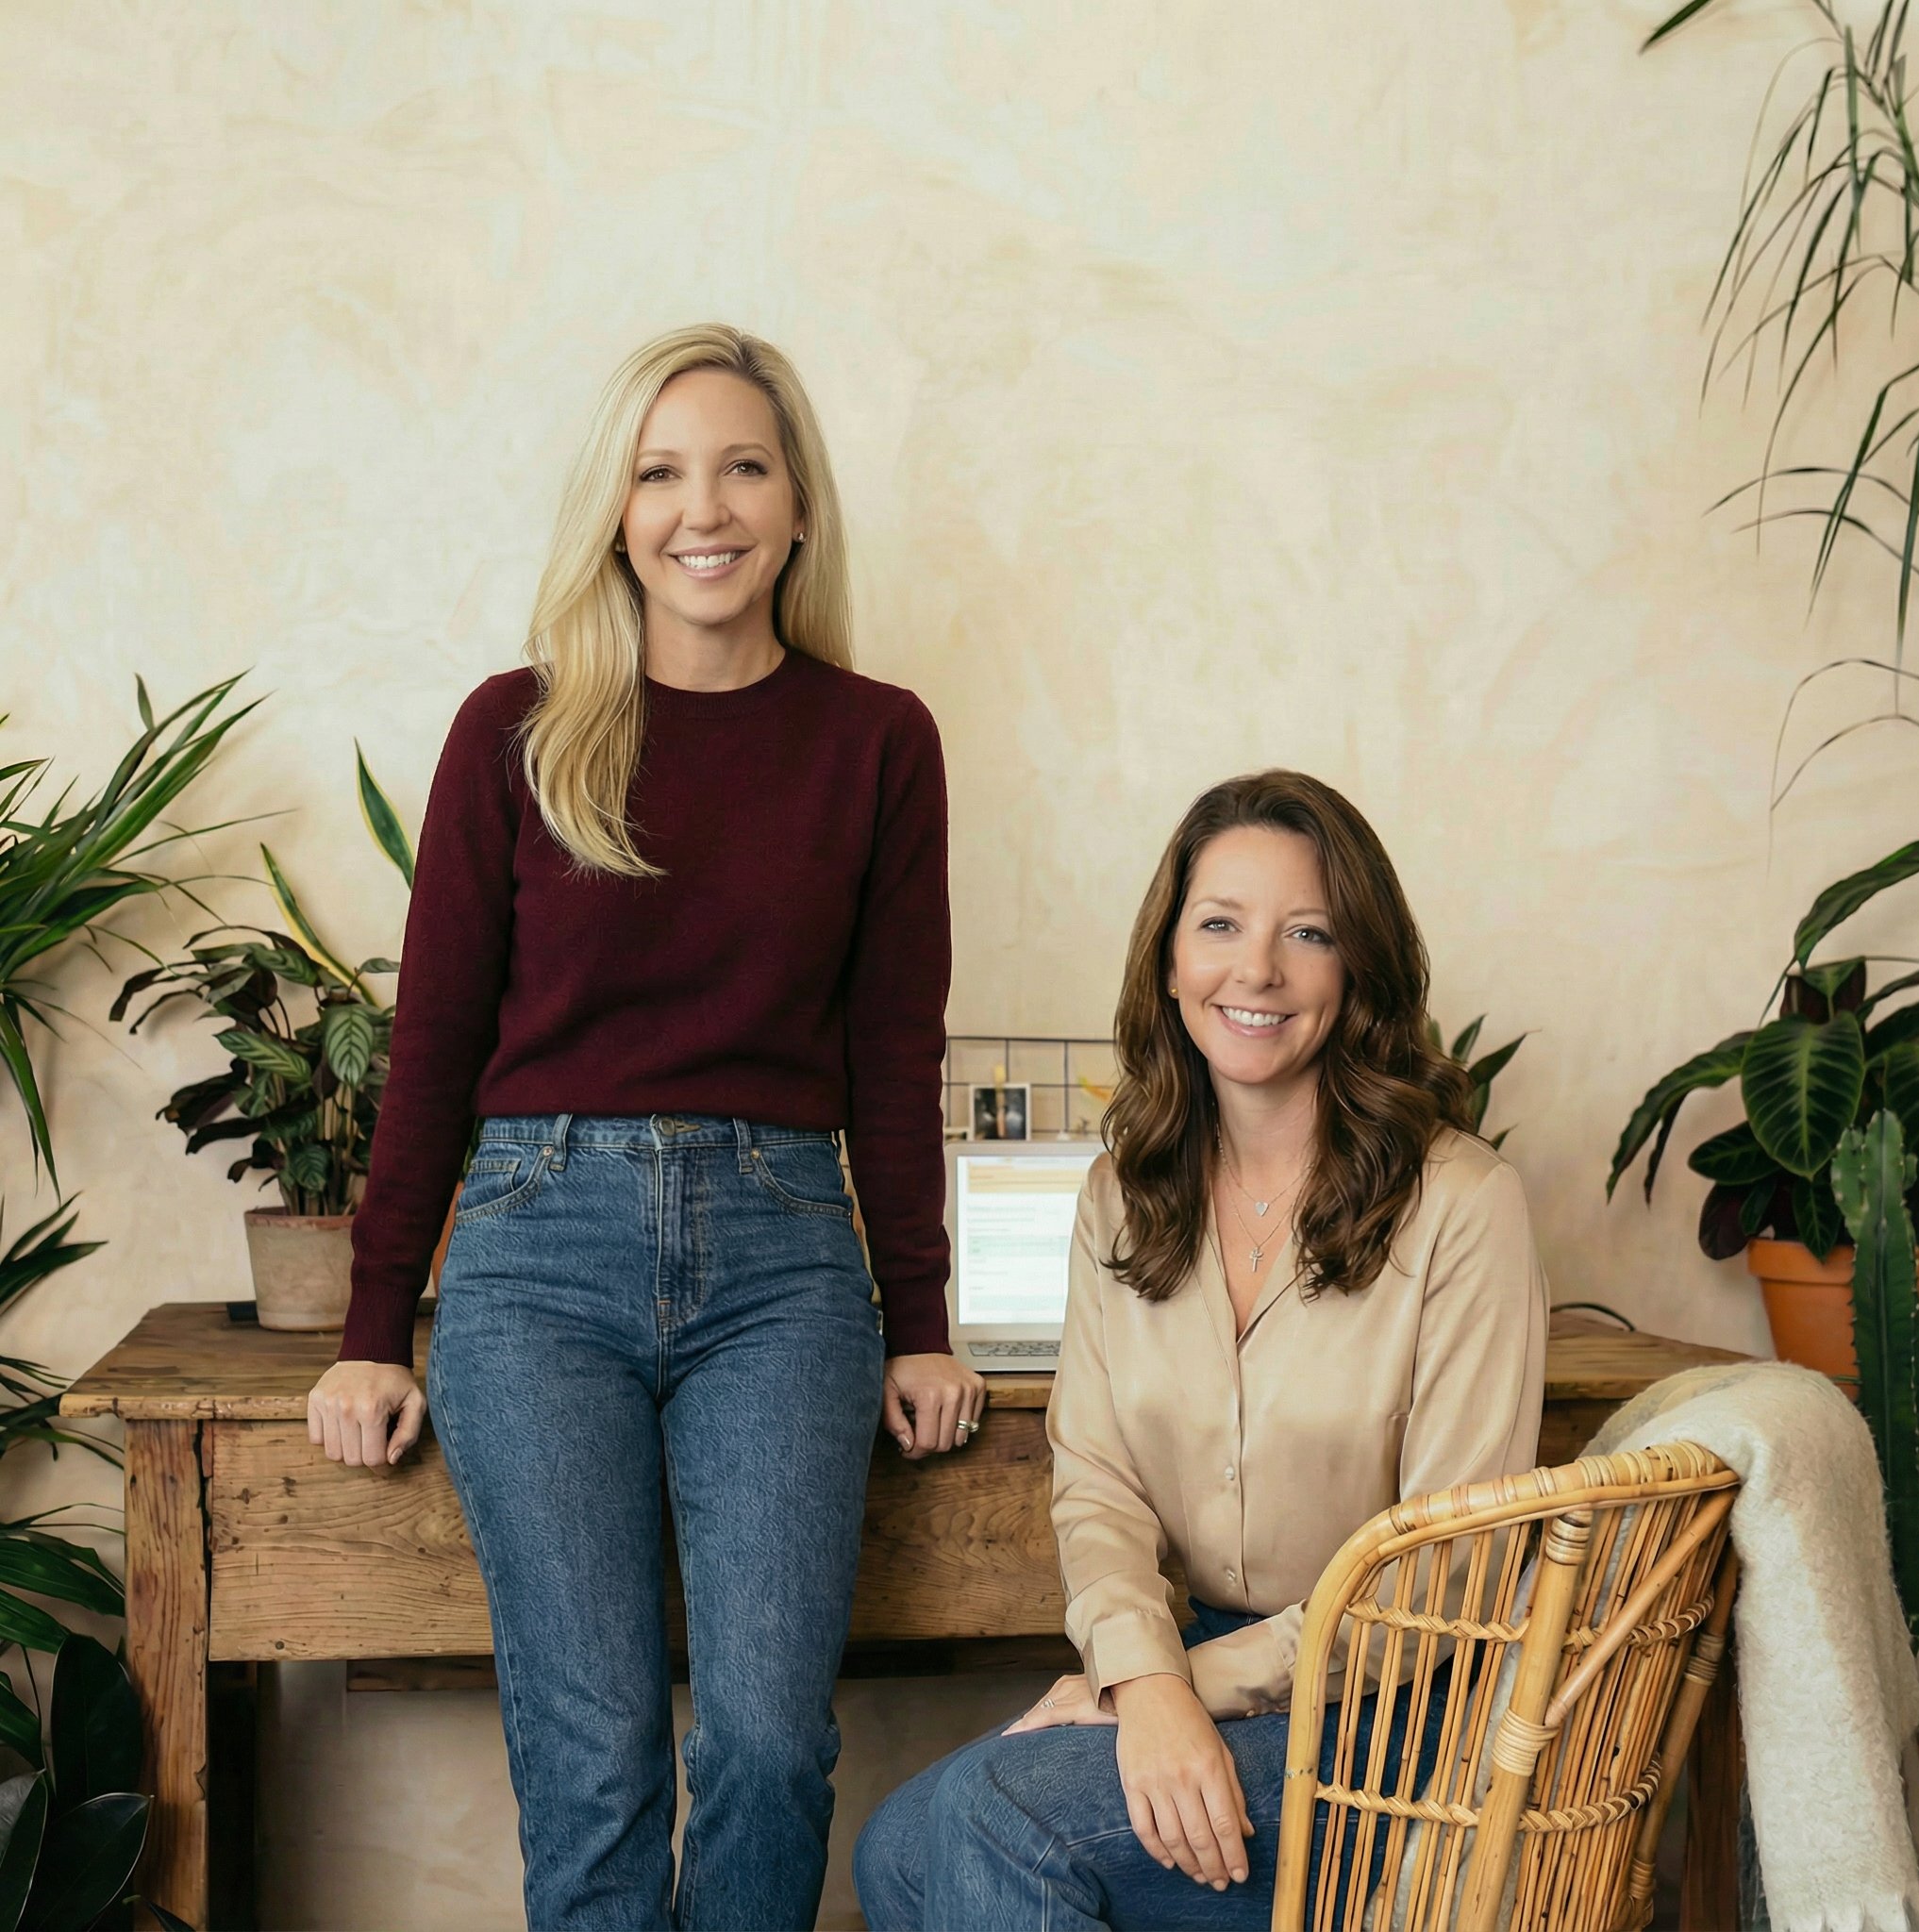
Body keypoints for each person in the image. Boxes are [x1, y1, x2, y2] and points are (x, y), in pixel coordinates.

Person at [306, 324, 984, 1932]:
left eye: (744, 464)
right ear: (615, 510)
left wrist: (919, 1316)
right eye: (661, 469)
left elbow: (892, 1053)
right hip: (537, 1257)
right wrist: (369, 1324)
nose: (704, 506)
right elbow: (437, 1042)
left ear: (799, 504)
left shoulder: (879, 740)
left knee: (762, 1738)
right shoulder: (517, 729)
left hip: (783, 1264)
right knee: (593, 1750)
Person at [854, 770, 1547, 1931]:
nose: (1256, 970)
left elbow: (1446, 1569)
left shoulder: (1461, 1202)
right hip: (1194, 1657)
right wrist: (1141, 1669)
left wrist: (1178, 1691)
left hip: (1397, 1703)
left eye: (1307, 933)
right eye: (1219, 924)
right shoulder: (1121, 1195)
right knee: (899, 1851)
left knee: (986, 1821)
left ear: (1357, 969)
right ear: (1169, 958)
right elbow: (1097, 1482)